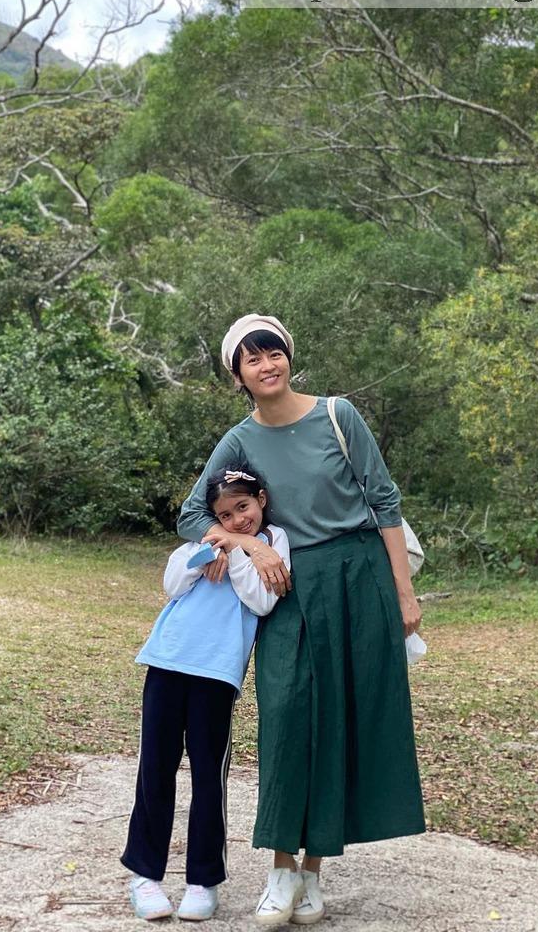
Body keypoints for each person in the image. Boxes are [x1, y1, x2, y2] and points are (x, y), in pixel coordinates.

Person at [177, 314, 425, 927]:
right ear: (238, 375)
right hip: (288, 583)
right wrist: (249, 544)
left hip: (359, 576)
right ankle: (280, 869)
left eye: (274, 353)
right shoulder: (239, 440)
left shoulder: (338, 415)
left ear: (288, 356)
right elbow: (191, 516)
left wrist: (404, 594)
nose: (267, 366)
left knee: (342, 717)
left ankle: (313, 872)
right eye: (252, 359)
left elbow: (384, 501)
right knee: (287, 716)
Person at [121, 464, 290, 922]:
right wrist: (207, 552)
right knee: (155, 769)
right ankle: (144, 875)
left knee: (208, 777)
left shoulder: (274, 543)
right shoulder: (204, 539)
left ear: (261, 500)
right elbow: (172, 585)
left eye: (243, 507)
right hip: (168, 660)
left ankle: (203, 880)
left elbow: (263, 601)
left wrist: (236, 553)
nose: (237, 520)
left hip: (217, 673)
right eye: (225, 514)